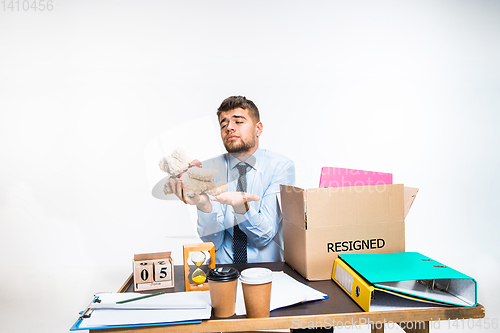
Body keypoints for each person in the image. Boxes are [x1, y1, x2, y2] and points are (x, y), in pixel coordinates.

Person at [170, 96, 295, 264]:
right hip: (223, 271)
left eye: (238, 122)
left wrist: (241, 208)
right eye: (224, 124)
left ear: (258, 128)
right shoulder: (210, 168)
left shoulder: (280, 167)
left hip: (267, 270)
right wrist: (204, 204)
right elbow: (213, 243)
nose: (229, 127)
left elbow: (264, 237)